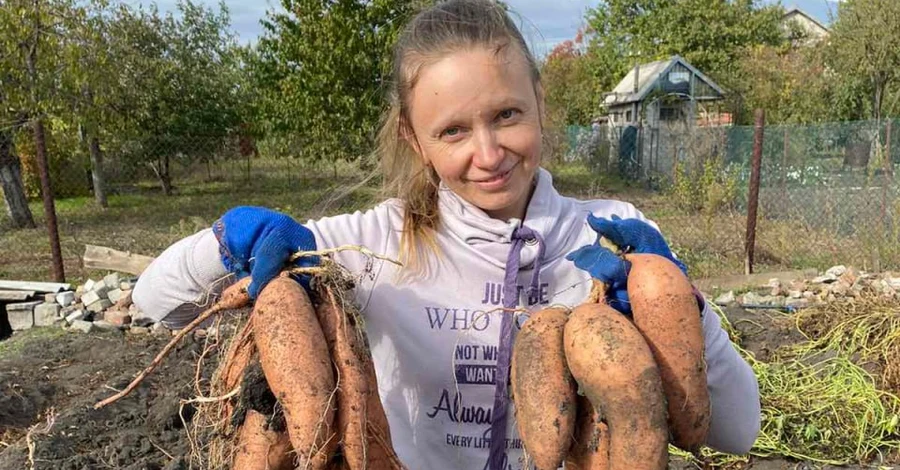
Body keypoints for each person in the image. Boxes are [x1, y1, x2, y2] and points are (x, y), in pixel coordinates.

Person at [132, 1, 761, 469]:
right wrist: (227, 238)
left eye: (506, 115)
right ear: (415, 139)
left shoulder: (614, 241)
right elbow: (154, 302)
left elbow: (737, 431)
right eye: (453, 131)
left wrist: (679, 306)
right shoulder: (366, 245)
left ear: (540, 104)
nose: (488, 153)